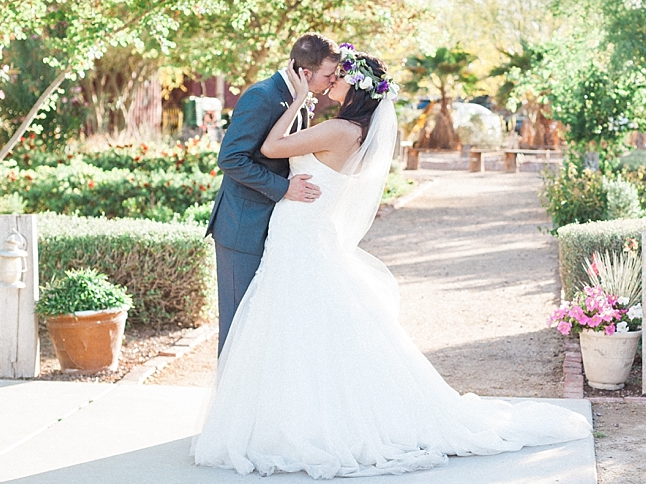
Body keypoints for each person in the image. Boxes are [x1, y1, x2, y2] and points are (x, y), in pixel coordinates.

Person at [192, 44, 591, 479]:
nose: (331, 81)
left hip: (300, 235)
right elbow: (238, 157)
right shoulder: (337, 124)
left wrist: (302, 105)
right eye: (329, 73)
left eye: (339, 76)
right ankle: (266, 416)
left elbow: (272, 149)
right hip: (287, 233)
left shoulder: (339, 129)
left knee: (289, 329)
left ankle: (280, 422)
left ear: (356, 89)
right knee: (285, 329)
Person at [205, 32, 341, 353]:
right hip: (243, 228)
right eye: (328, 74)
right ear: (305, 74)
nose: (333, 80)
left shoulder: (299, 97)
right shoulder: (262, 96)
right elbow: (231, 158)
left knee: (261, 329)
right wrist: (284, 189)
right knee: (239, 326)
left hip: (274, 230)